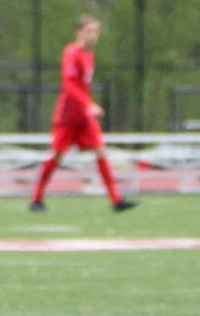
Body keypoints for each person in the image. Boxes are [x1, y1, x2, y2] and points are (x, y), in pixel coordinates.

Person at [30, 14, 136, 213]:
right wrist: (88, 104)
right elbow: (69, 84)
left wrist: (87, 107)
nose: (94, 36)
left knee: (101, 150)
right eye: (90, 31)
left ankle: (116, 200)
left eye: (96, 31)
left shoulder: (89, 55)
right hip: (68, 116)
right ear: (79, 32)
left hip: (84, 117)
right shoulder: (72, 53)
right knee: (56, 156)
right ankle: (36, 198)